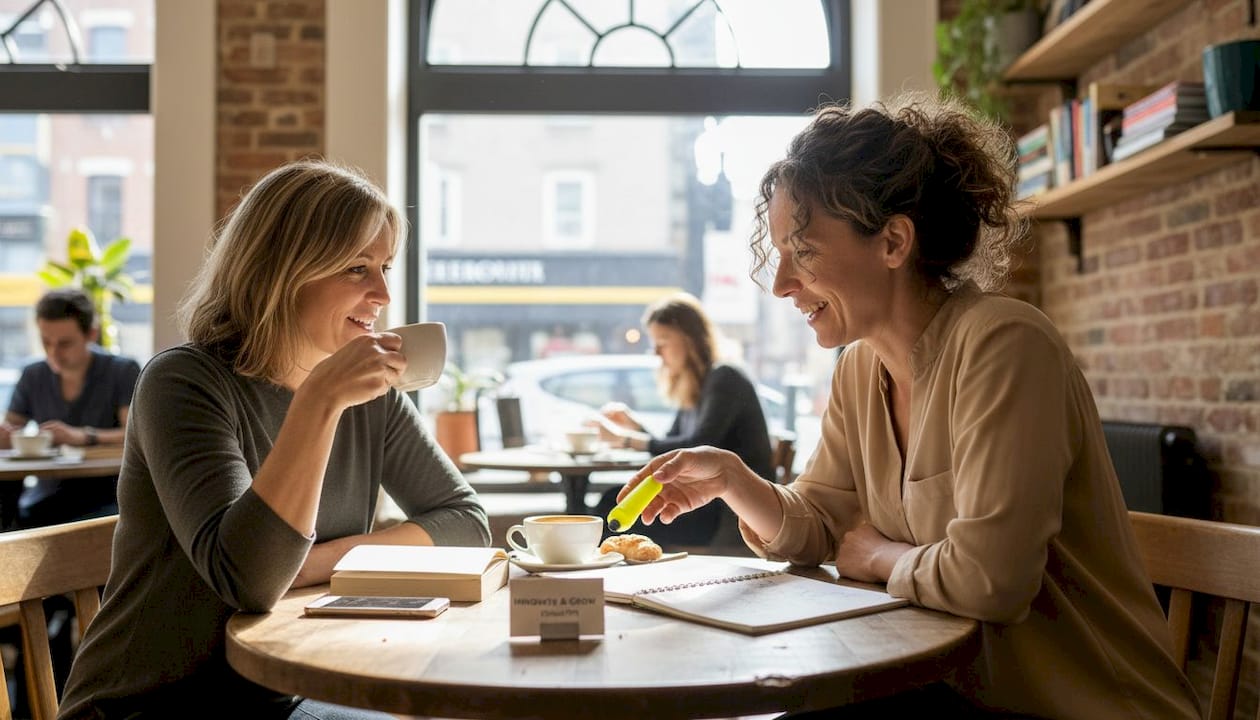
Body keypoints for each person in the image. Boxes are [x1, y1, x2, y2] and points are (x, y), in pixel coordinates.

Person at [618, 94, 1202, 718]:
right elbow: (822, 525)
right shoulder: (859, 368)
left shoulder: (1005, 345)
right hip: (948, 692)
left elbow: (992, 581)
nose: (783, 284)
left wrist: (879, 556)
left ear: (893, 241)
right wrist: (736, 481)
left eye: (804, 252)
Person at [57, 159, 490, 720]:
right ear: (282, 269)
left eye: (385, 267)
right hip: (156, 703)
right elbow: (252, 581)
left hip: (290, 688)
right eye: (357, 268)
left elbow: (465, 523)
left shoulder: (371, 395)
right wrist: (320, 400)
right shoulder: (183, 383)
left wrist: (310, 564)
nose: (383, 292)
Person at [593, 292, 772, 550]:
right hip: (704, 502)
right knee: (611, 501)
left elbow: (697, 446)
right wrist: (635, 427)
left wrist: (626, 440)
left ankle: (590, 570)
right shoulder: (697, 386)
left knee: (610, 504)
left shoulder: (725, 378)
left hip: (725, 511)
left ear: (691, 339)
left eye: (663, 342)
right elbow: (673, 446)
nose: (656, 352)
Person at [1, 288, 140, 528]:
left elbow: (135, 435)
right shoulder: (33, 374)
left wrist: (82, 436)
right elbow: (10, 429)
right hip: (45, 499)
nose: (53, 353)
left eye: (64, 343)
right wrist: (7, 436)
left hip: (108, 498)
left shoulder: (122, 371)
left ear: (91, 334)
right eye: (46, 342)